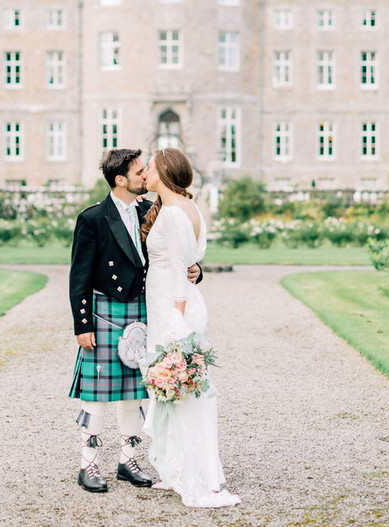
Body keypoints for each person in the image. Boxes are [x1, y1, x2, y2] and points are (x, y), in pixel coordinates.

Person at [68, 148, 202, 493]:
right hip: (105, 313)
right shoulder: (94, 218)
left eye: (146, 170)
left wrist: (195, 269)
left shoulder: (152, 209)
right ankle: (89, 464)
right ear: (120, 180)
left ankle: (128, 460)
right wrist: (82, 325)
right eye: (139, 171)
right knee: (96, 395)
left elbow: (175, 252)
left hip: (141, 311)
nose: (145, 176)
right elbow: (79, 276)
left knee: (133, 394)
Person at [140, 147, 241, 508]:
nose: (144, 174)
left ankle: (194, 475)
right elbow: (191, 263)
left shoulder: (172, 215)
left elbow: (182, 275)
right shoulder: (189, 207)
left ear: (164, 171)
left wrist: (176, 324)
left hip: (172, 309)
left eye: (149, 168)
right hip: (168, 305)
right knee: (173, 393)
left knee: (181, 391)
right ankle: (175, 468)